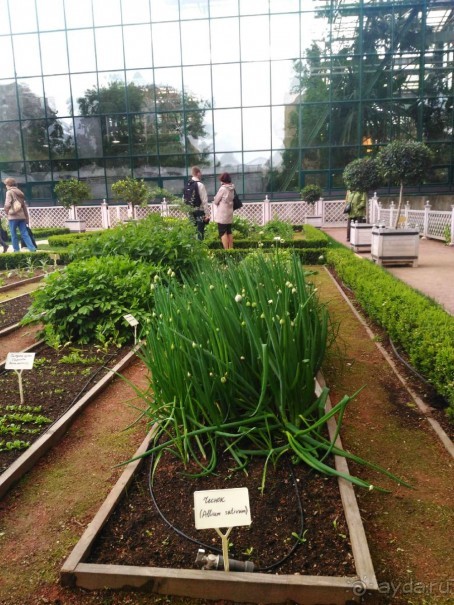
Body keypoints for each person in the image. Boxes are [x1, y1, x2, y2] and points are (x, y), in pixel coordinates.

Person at [3, 178, 36, 252]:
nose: (5, 186)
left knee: (13, 234)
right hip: (22, 216)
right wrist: (27, 218)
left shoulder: (9, 192)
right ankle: (32, 249)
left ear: (8, 184)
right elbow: (24, 206)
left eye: (6, 184)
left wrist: (7, 212)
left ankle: (16, 250)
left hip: (13, 217)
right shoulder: (20, 192)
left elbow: (7, 204)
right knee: (25, 233)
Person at [213, 172, 235, 249]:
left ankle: (226, 250)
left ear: (223, 180)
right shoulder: (232, 188)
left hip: (222, 214)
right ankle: (231, 248)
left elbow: (216, 201)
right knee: (229, 231)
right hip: (229, 212)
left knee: (222, 232)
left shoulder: (223, 188)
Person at [187, 166, 210, 240]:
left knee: (192, 230)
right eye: (200, 173)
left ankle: (192, 249)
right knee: (200, 232)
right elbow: (204, 201)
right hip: (200, 211)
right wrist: (207, 214)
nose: (201, 175)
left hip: (190, 211)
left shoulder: (188, 184)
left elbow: (184, 199)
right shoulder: (200, 185)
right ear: (198, 173)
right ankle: (200, 249)